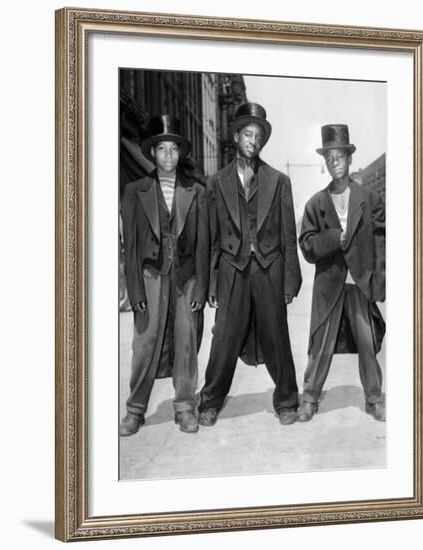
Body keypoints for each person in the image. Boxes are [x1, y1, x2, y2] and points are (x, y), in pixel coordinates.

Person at [198, 102, 302, 427]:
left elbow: (288, 234)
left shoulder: (279, 181)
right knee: (224, 337)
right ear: (235, 135)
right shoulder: (216, 183)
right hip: (232, 268)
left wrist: (290, 282)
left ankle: (286, 399)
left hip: (269, 267)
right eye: (247, 133)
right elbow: (213, 237)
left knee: (277, 335)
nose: (253, 140)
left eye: (258, 135)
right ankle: (210, 401)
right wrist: (212, 284)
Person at [119, 114, 209, 435]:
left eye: (174, 149)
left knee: (186, 341)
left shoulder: (196, 192)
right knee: (144, 343)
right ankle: (135, 409)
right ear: (152, 153)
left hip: (187, 278)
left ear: (179, 154)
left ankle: (185, 406)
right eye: (162, 149)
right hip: (150, 276)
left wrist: (202, 288)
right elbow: (130, 246)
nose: (168, 156)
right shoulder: (134, 191)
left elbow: (204, 243)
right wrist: (135, 290)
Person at [297, 124, 386, 422]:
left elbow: (381, 239)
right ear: (325, 162)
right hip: (330, 284)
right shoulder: (316, 203)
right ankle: (309, 397)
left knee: (366, 342)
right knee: (320, 344)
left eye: (340, 156)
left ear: (349, 158)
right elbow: (307, 244)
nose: (335, 162)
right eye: (329, 157)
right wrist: (334, 239)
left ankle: (374, 398)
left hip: (359, 281)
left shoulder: (369, 198)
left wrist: (379, 277)